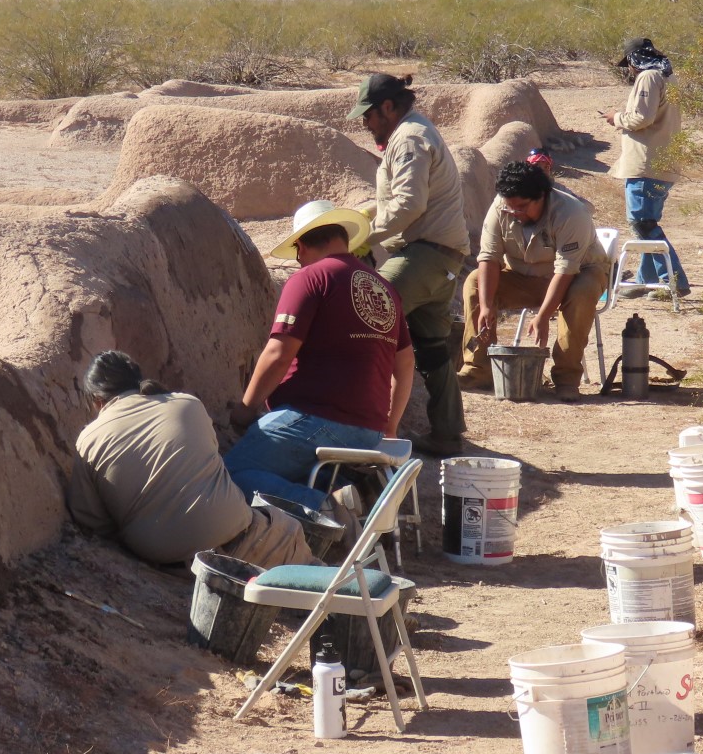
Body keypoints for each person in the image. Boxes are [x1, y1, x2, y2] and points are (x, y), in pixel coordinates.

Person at [225, 201, 415, 510]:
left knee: (229, 475)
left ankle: (326, 506)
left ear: (301, 245)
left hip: (316, 420)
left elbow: (278, 353)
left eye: (297, 253)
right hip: (368, 430)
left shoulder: (310, 278)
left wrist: (245, 410)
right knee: (289, 465)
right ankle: (347, 490)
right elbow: (405, 364)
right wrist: (389, 427)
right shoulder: (383, 288)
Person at [68, 351, 315, 569]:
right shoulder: (186, 404)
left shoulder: (87, 441)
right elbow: (209, 459)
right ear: (136, 381)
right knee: (289, 531)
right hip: (232, 538)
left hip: (163, 558)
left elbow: (93, 520)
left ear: (97, 400)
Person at [349, 73, 471, 457]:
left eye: (367, 115)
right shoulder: (412, 133)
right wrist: (356, 218)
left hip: (425, 255)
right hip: (441, 258)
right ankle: (447, 435)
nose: (365, 124)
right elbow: (394, 202)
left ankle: (361, 427)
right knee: (432, 350)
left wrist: (360, 240)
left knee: (360, 315)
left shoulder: (410, 138)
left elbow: (408, 205)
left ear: (387, 107)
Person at [458, 161, 609, 402]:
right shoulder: (501, 207)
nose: (515, 212)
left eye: (522, 207)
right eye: (510, 207)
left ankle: (567, 378)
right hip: (524, 277)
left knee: (584, 290)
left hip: (575, 277)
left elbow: (566, 271)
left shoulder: (571, 213)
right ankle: (479, 368)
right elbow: (489, 258)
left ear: (541, 196)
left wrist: (543, 316)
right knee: (475, 284)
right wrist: (486, 306)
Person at [605, 37, 690, 298]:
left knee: (643, 223)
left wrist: (616, 118)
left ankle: (672, 281)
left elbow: (642, 117)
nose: (629, 70)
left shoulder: (649, 77)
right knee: (645, 223)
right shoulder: (668, 76)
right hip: (661, 162)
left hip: (646, 163)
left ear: (634, 60)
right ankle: (645, 279)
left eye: (629, 64)